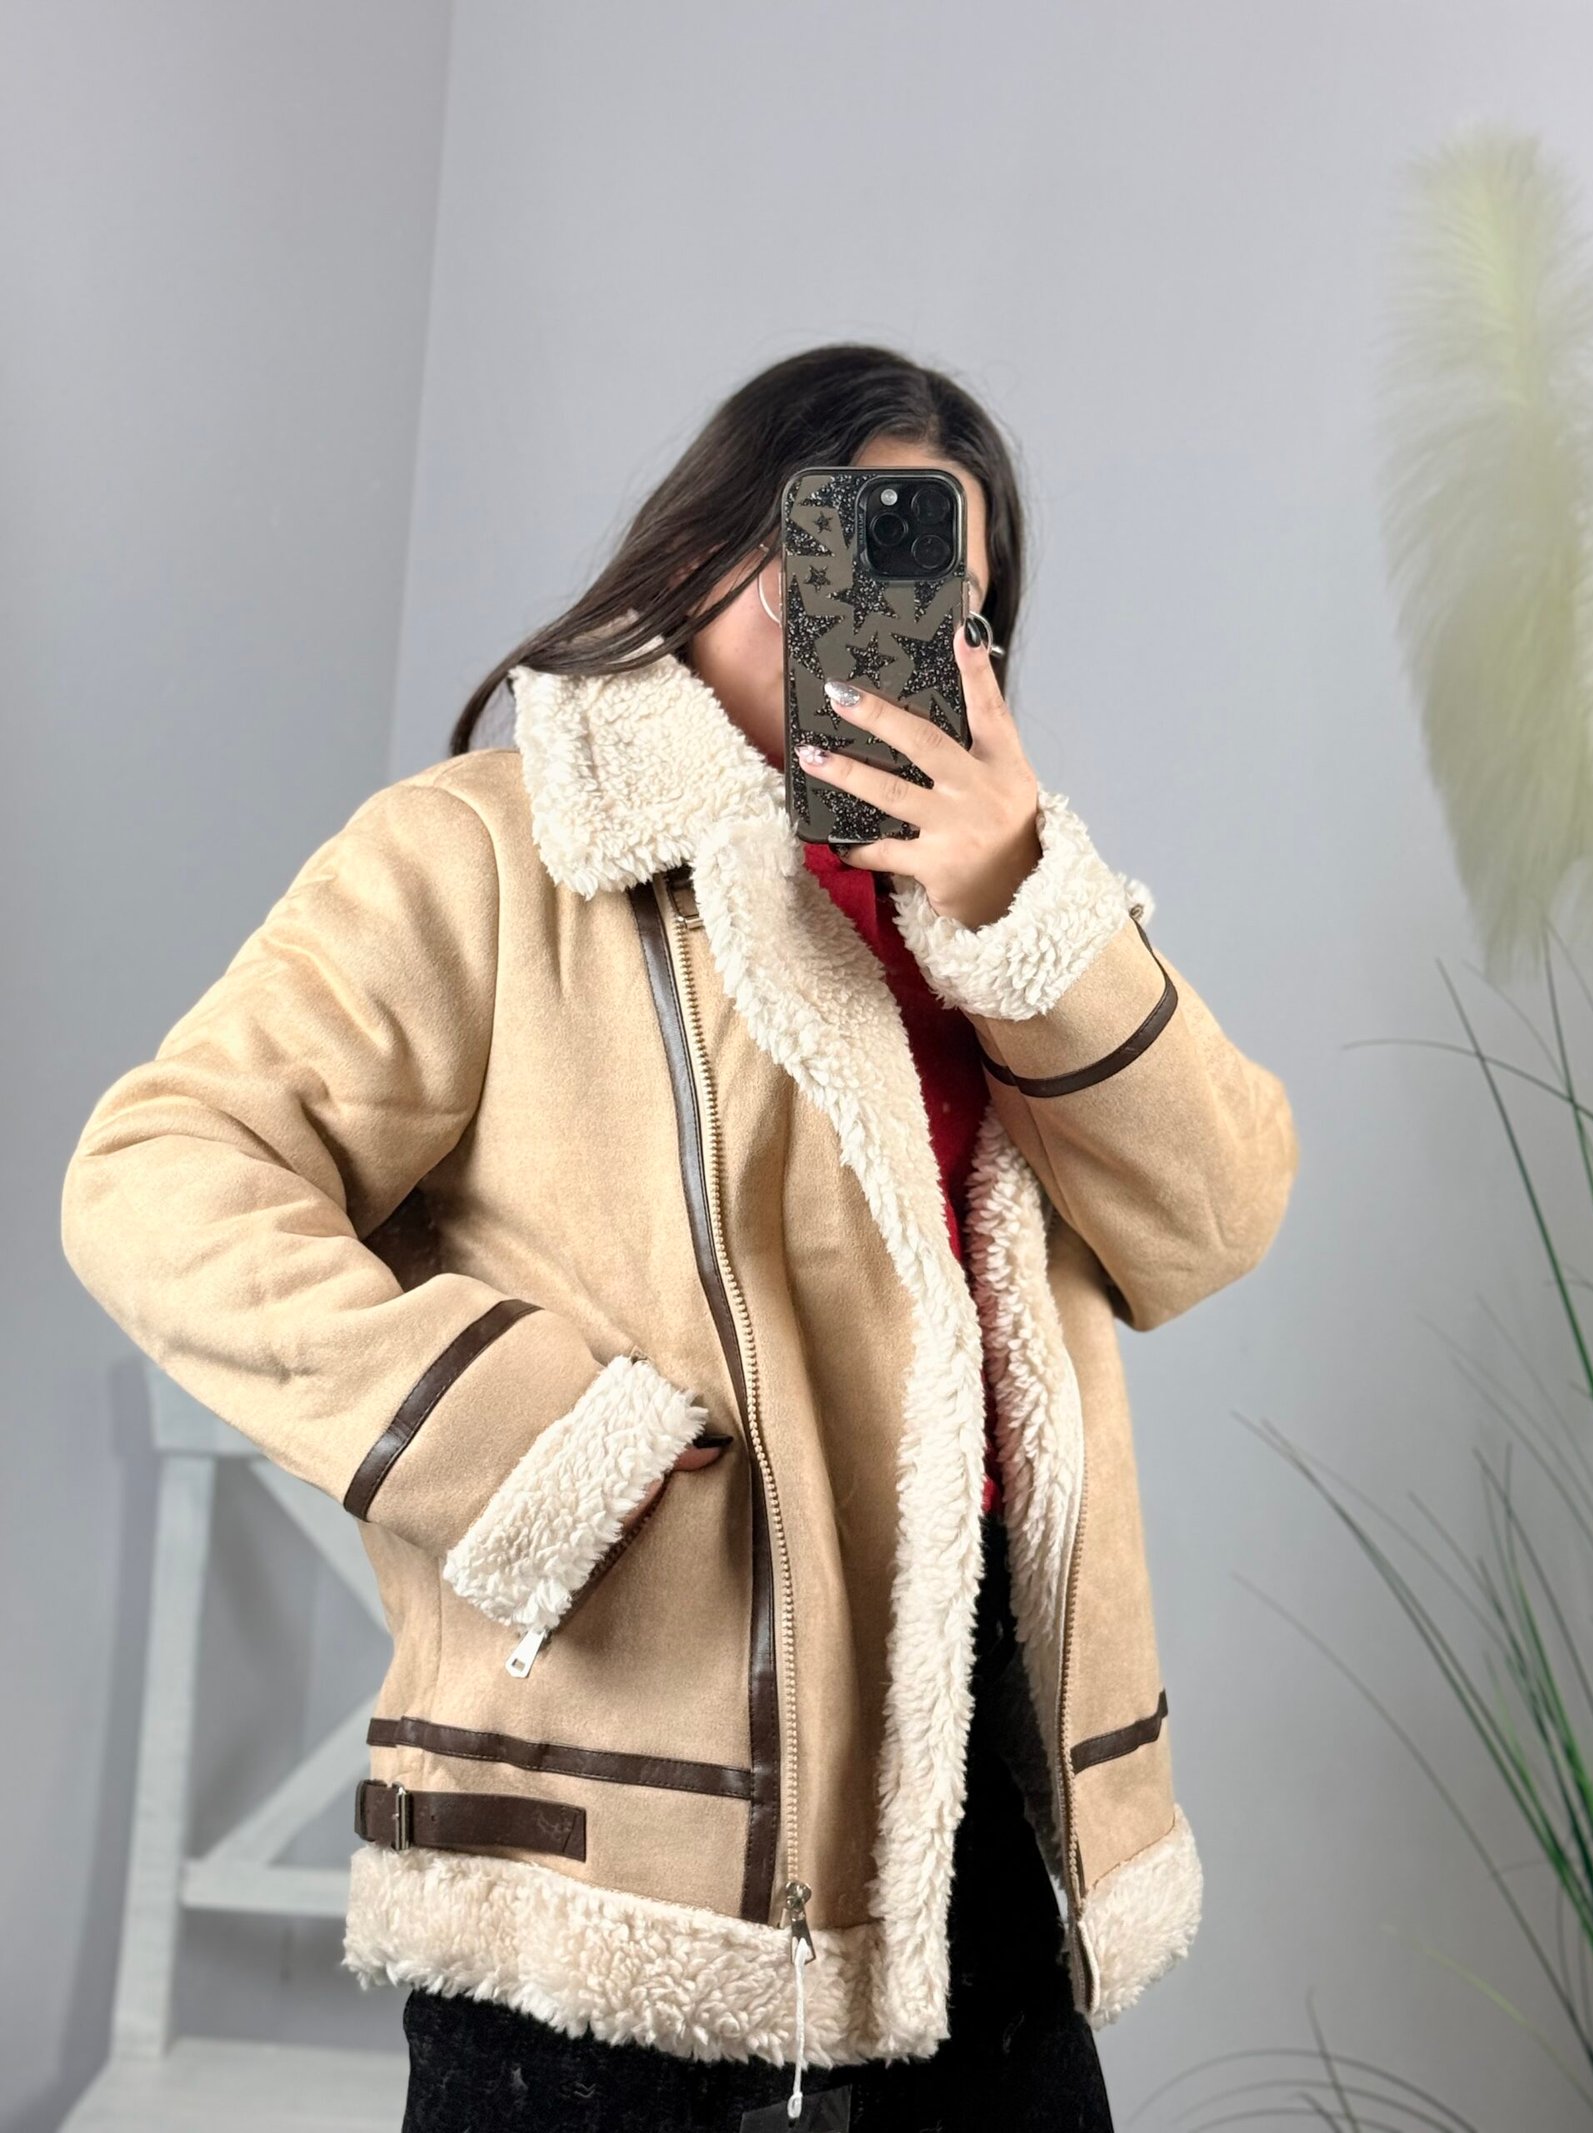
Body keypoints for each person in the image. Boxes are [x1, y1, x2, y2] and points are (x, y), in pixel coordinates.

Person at [61, 343, 1300, 2131]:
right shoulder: (487, 852)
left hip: (969, 1816)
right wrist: (543, 1446)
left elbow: (1218, 1215)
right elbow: (158, 1170)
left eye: (938, 592)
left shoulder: (1001, 922)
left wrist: (1028, 900)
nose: (869, 619)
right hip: (616, 1844)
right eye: (828, 549)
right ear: (701, 546)